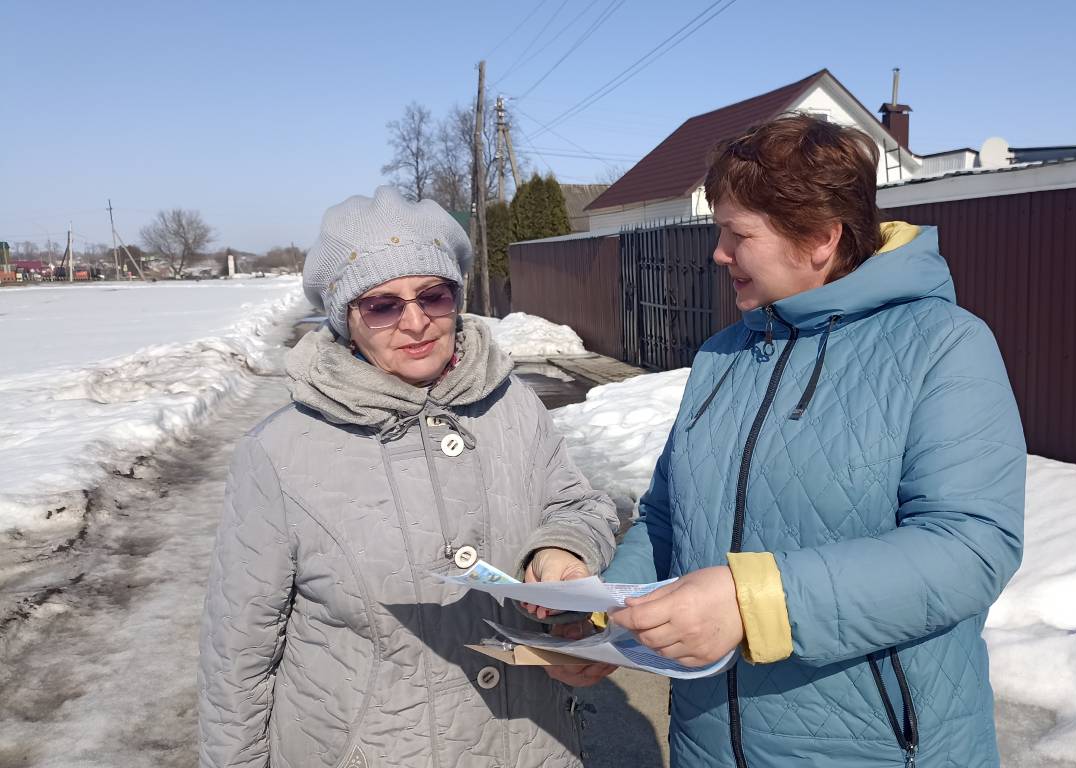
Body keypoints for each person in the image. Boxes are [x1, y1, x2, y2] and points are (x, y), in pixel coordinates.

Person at [606, 115, 1027, 767]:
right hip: (708, 743)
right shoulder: (723, 354)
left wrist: (754, 604)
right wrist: (608, 612)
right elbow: (666, 516)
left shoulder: (944, 345)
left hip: (878, 748)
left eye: (739, 234)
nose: (719, 253)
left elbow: (970, 546)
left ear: (820, 239)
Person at [198, 186, 617, 768]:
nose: (416, 322)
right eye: (383, 305)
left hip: (533, 745)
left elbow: (577, 506)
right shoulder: (278, 452)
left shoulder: (512, 404)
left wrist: (562, 553)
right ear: (346, 318)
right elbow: (237, 652)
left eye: (433, 295)